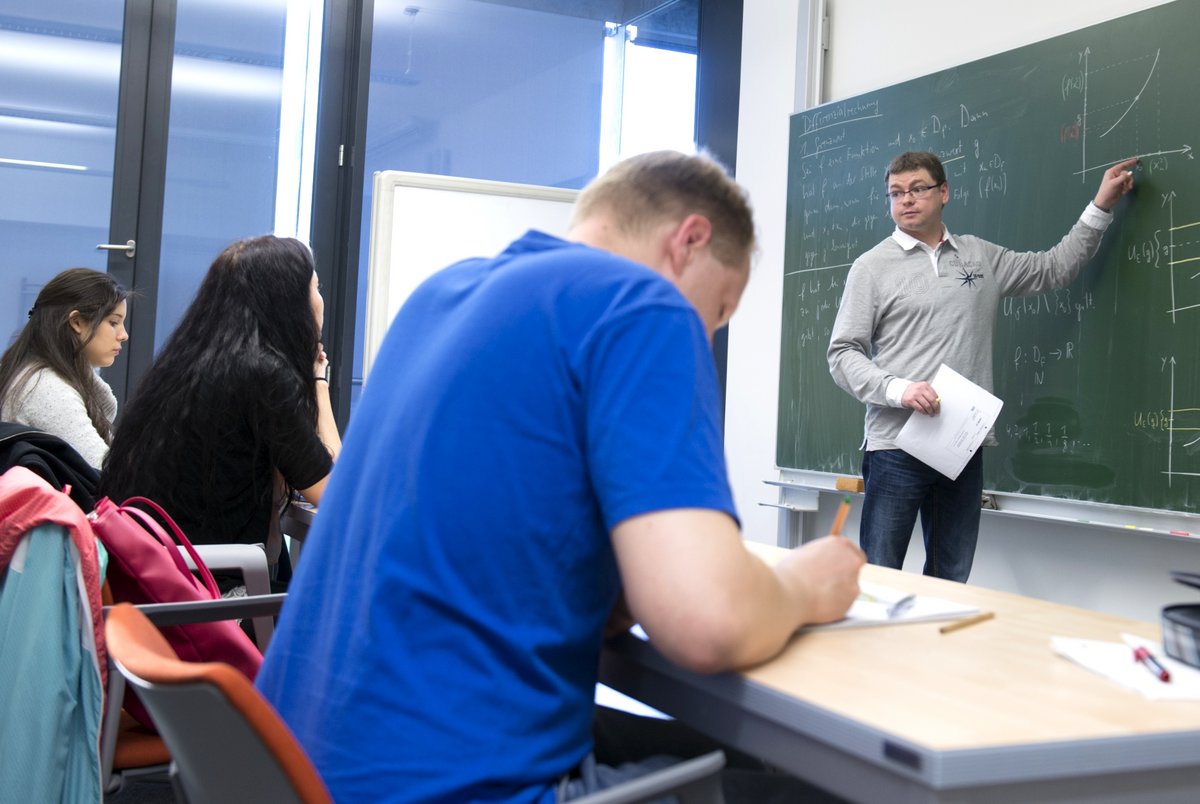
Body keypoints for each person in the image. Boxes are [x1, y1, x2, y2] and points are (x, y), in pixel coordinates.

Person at [255, 151, 865, 803]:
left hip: (291, 770)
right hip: (446, 788)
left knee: (742, 758)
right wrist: (804, 584)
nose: (707, 336)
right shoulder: (642, 305)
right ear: (688, 240)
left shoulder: (438, 298)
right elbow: (706, 622)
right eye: (719, 310)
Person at [827, 150, 1136, 582]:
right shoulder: (871, 267)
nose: (906, 200)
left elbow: (1054, 268)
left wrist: (1100, 206)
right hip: (894, 446)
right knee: (880, 575)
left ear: (944, 192)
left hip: (959, 442)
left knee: (952, 575)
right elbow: (842, 354)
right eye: (896, 193)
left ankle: (937, 651)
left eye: (917, 188)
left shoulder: (979, 257)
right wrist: (900, 389)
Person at [100, 235, 340, 590]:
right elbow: (336, 493)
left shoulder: (188, 363)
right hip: (205, 590)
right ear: (289, 300)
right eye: (316, 288)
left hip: (143, 582)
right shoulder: (263, 373)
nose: (320, 301)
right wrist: (319, 383)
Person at [0, 268, 129, 470]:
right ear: (77, 322)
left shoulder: (33, 374)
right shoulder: (46, 389)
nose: (123, 335)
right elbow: (107, 474)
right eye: (114, 323)